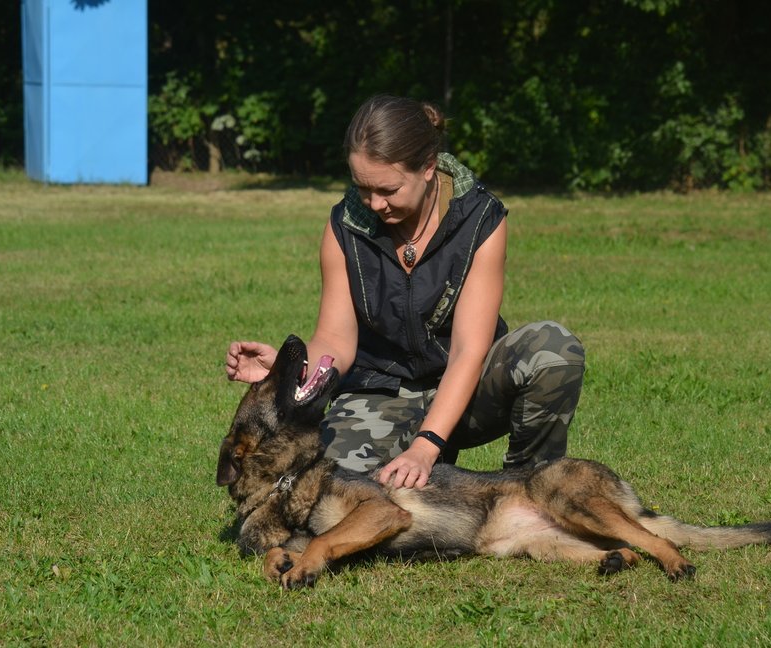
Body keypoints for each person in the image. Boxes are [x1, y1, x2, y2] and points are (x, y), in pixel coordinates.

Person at [226, 95, 585, 490]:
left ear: (428, 167)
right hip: (380, 393)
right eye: (363, 188)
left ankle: (530, 487)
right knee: (325, 487)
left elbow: (469, 349)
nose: (375, 204)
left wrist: (426, 444)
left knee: (554, 349)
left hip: (467, 390)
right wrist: (290, 370)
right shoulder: (345, 226)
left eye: (389, 190)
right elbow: (334, 339)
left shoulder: (480, 218)